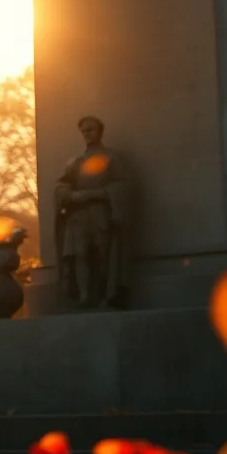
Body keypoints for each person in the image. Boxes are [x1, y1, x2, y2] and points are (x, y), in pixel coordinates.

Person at [54, 115, 133, 310]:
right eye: (83, 131)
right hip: (80, 215)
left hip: (100, 211)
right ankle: (84, 295)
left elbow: (123, 185)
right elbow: (61, 184)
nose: (87, 134)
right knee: (80, 253)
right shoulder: (77, 162)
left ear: (100, 131)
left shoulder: (111, 157)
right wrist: (70, 195)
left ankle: (104, 294)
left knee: (103, 253)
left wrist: (96, 193)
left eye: (91, 130)